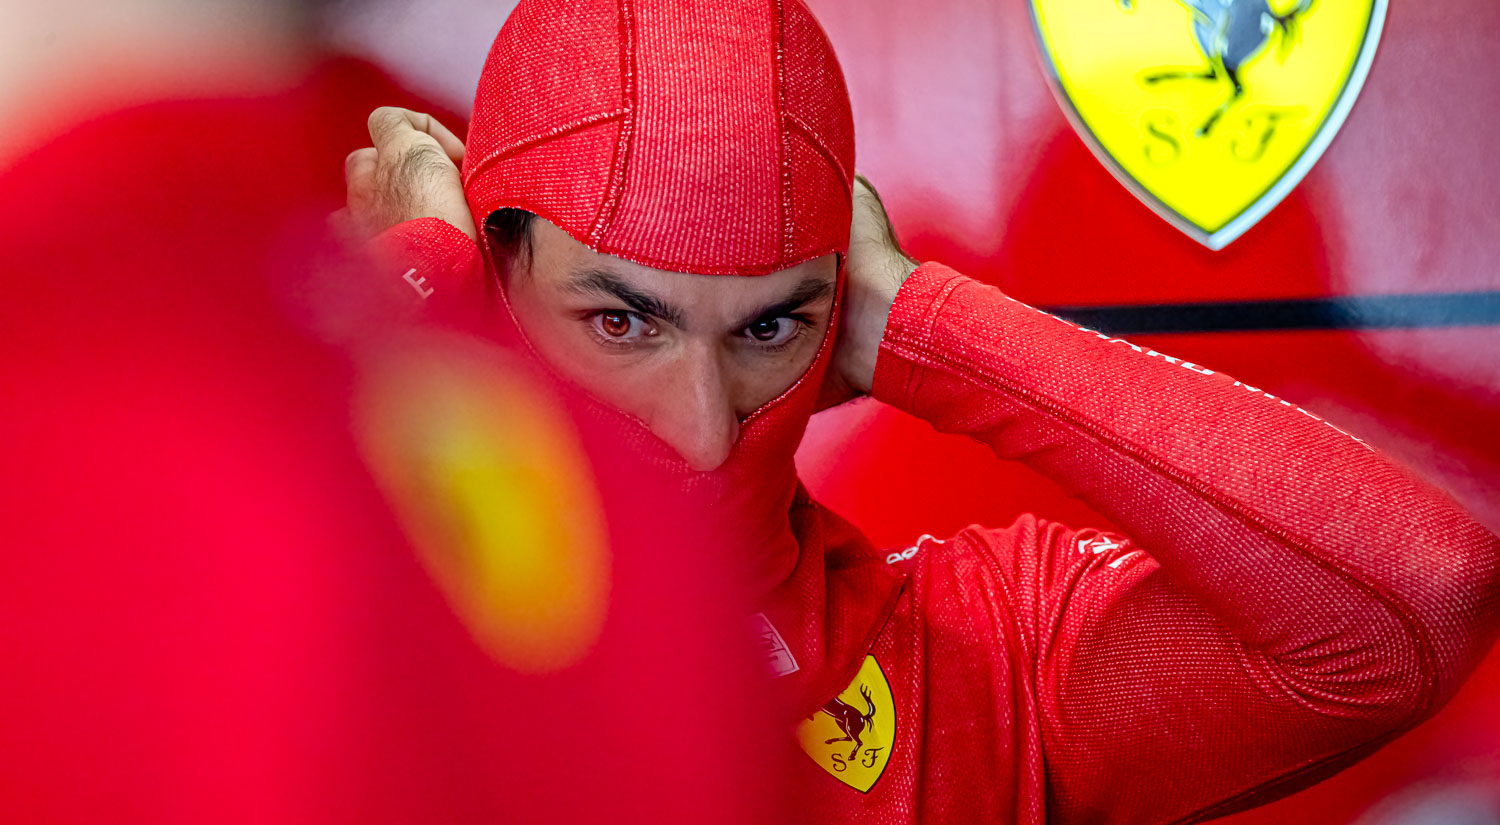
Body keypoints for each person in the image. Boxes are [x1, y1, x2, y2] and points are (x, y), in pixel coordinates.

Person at [340, 0, 1500, 821]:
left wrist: (918, 324)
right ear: (497, 289)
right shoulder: (338, 627)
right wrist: (420, 307)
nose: (701, 428)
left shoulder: (978, 663)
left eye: (769, 327)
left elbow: (1413, 605)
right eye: (623, 323)